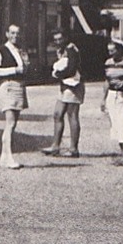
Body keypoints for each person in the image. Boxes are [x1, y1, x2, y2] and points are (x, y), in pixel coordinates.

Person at [0, 23, 30, 169]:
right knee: (10, 124)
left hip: (19, 86)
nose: (15, 36)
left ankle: (4, 157)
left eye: (17, 33)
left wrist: (25, 66)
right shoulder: (0, 50)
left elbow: (24, 68)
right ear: (7, 34)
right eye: (12, 33)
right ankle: (9, 157)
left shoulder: (21, 50)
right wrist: (14, 70)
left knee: (13, 124)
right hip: (8, 86)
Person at [44, 29, 83, 157]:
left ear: (66, 38)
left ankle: (73, 149)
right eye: (56, 39)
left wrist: (57, 75)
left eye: (60, 39)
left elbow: (72, 68)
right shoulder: (61, 50)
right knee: (57, 114)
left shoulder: (71, 48)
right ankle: (55, 146)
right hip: (65, 85)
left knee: (72, 115)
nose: (58, 41)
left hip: (73, 85)